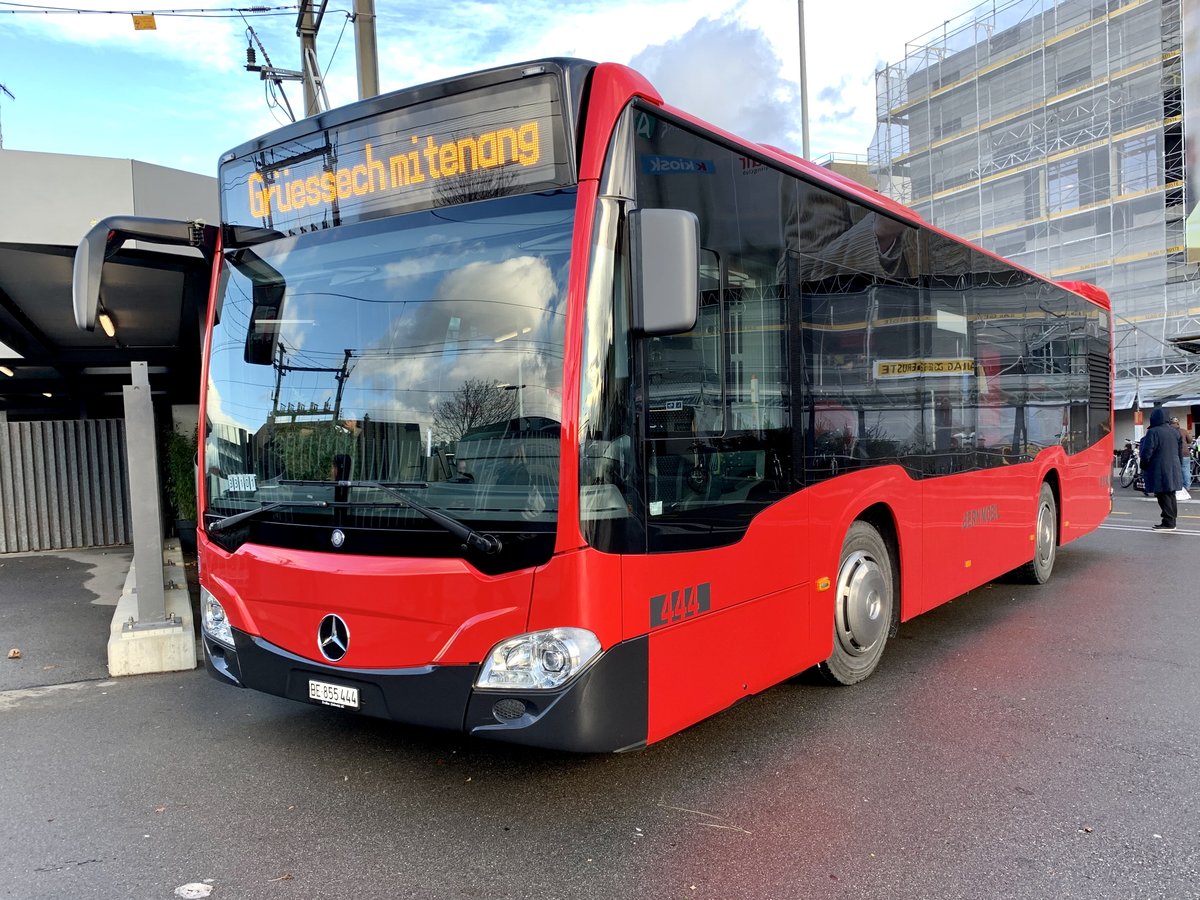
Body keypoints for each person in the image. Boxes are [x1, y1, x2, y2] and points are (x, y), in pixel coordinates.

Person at [1139, 407, 1184, 530]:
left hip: (1159, 467)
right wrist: (1179, 465)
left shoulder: (1153, 432)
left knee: (1162, 494)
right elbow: (1179, 451)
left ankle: (1168, 522)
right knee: (1171, 494)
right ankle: (1171, 521)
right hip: (1173, 466)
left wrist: (1143, 464)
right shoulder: (1175, 431)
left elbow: (1147, 451)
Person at [1170, 416, 1193, 494]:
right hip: (1185, 453)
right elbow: (1190, 440)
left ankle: (1178, 487)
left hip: (1174, 453)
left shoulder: (1169, 431)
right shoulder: (1184, 431)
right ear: (1178, 423)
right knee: (1186, 470)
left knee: (1175, 471)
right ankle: (1187, 487)